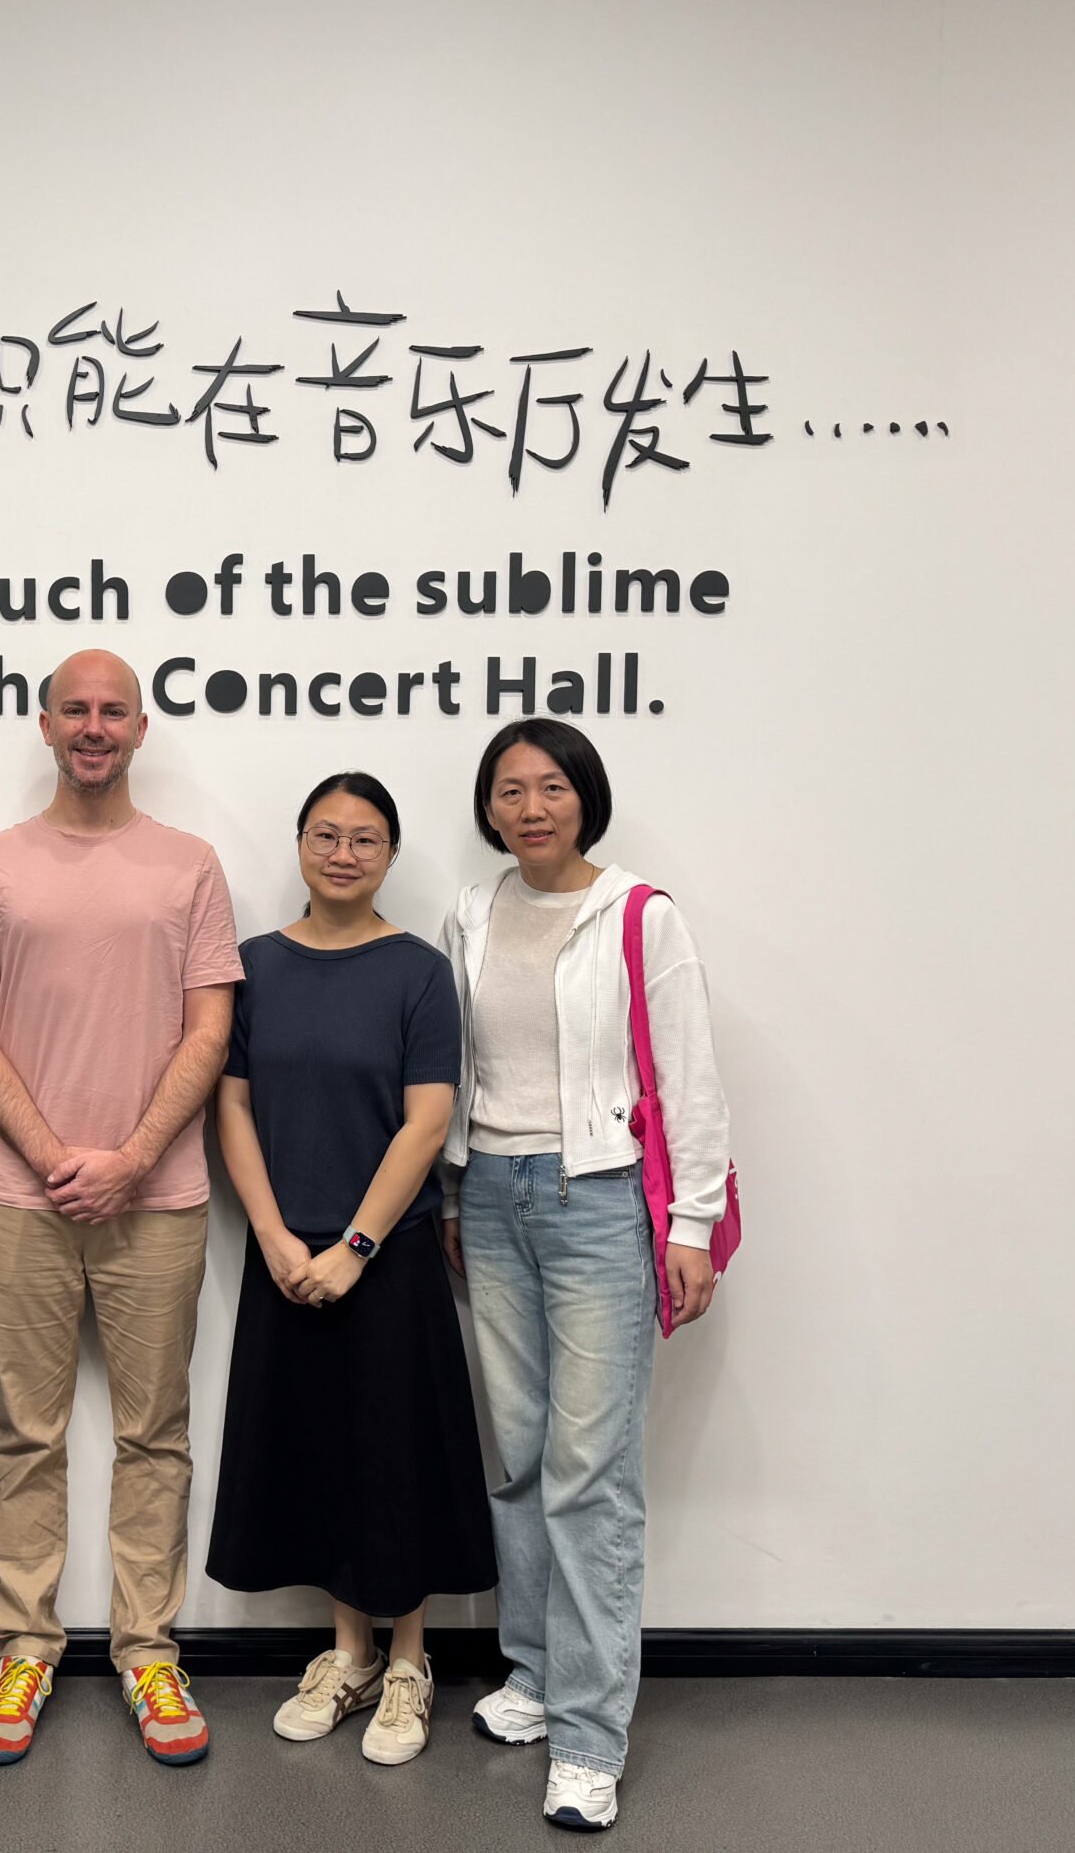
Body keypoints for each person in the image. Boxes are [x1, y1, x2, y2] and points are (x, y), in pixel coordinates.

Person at [0, 649, 242, 1767]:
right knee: (28, 1433)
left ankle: (148, 1649)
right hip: (22, 1196)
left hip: (157, 1202)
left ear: (142, 726)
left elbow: (208, 1031)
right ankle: (24, 1647)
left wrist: (131, 1157)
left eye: (114, 709)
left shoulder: (191, 866)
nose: (95, 726)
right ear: (44, 723)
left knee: (154, 1433)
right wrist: (59, 1152)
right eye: (76, 708)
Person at [439, 719, 730, 1834]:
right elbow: (459, 1069)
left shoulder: (638, 915)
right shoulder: (470, 910)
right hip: (495, 1199)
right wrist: (459, 1198)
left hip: (599, 1201)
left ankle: (591, 1734)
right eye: (508, 790)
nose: (529, 808)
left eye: (550, 787)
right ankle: (535, 1673)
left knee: (588, 1467)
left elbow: (689, 1070)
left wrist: (690, 1219)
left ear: (583, 797)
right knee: (514, 1453)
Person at [205, 772, 495, 1767]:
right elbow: (231, 1106)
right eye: (325, 835)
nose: (342, 852)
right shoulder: (253, 967)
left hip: (388, 1258)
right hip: (286, 1254)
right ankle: (347, 1655)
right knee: (320, 1453)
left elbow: (427, 1120)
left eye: (364, 838)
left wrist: (355, 1248)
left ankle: (409, 1664)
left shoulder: (417, 972)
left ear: (388, 854)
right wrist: (280, 1240)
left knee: (391, 1455)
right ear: (298, 846)